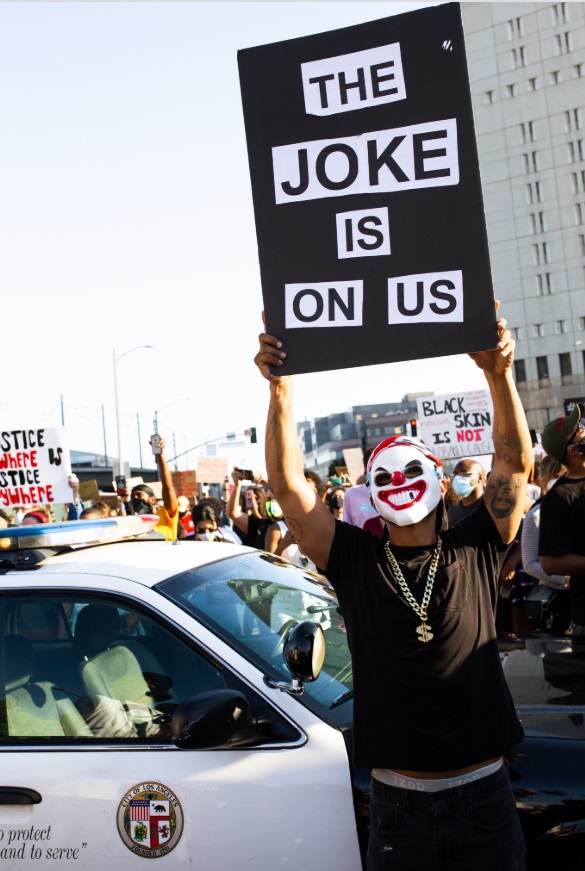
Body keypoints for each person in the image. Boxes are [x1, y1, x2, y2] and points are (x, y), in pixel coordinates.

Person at [255, 304, 530, 871]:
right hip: (397, 810)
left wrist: (497, 375)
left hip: (484, 797)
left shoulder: (476, 543)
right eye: (383, 476)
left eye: (409, 472)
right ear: (369, 492)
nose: (397, 484)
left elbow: (513, 464)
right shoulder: (352, 558)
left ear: (437, 478)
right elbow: (286, 487)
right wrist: (281, 390)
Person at [539, 404, 585, 635]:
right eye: (579, 429)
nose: (584, 428)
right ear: (574, 449)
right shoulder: (557, 498)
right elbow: (549, 563)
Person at [124, 436, 179, 541]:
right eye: (132, 496)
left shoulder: (164, 515)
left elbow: (167, 488)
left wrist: (160, 456)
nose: (135, 498)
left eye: (139, 495)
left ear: (152, 499)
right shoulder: (132, 522)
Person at [447, 457, 487, 525]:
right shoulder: (452, 512)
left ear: (480, 477)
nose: (458, 479)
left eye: (463, 474)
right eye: (455, 475)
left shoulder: (490, 508)